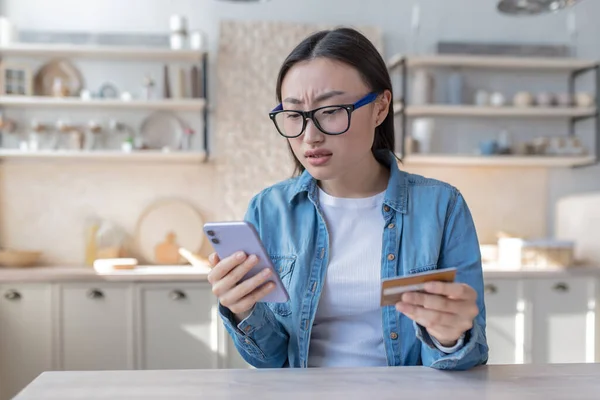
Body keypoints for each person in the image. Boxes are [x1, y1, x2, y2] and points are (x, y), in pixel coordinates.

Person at [207, 27, 488, 370]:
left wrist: (450, 337)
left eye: (331, 110)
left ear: (381, 107)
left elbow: (470, 357)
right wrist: (242, 310)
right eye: (295, 115)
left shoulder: (442, 207)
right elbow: (269, 361)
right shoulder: (268, 210)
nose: (310, 136)